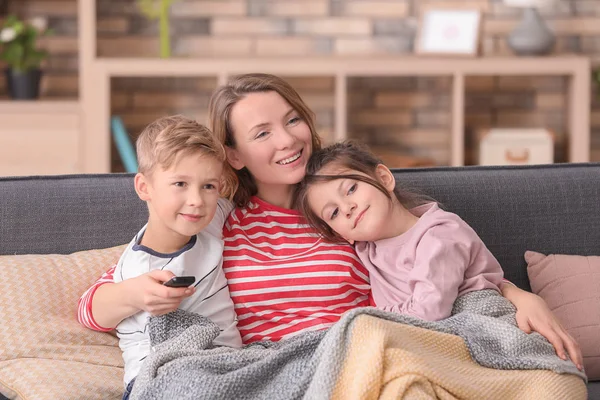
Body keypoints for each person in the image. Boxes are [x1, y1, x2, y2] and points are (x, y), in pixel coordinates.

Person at [78, 73, 583, 370]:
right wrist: (135, 295)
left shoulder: (350, 204)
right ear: (231, 155)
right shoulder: (214, 211)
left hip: (366, 360)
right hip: (273, 368)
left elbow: (439, 257)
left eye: (292, 120)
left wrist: (520, 294)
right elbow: (101, 300)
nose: (287, 140)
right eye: (262, 133)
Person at [96, 115, 242, 398]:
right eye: (180, 184)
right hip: (161, 382)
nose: (197, 200)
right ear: (144, 188)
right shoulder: (139, 270)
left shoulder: (210, 220)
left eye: (208, 186)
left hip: (229, 368)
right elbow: (98, 311)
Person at [296, 141, 505, 321]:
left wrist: (368, 317)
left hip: (472, 316)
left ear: (384, 178)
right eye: (333, 213)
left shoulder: (440, 235)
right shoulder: (365, 251)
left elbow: (429, 312)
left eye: (351, 189)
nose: (347, 208)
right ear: (342, 235)